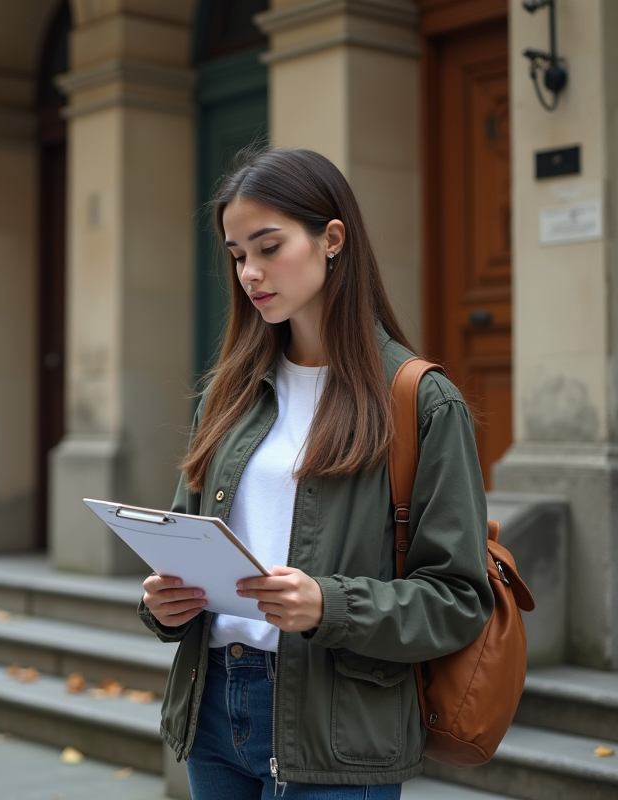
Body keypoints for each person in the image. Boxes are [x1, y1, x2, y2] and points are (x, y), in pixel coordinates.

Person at [138, 148, 495, 799]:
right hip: (214, 710)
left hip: (340, 727)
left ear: (333, 239)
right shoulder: (230, 393)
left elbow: (459, 600)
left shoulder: (418, 400)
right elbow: (186, 543)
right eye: (238, 253)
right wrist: (164, 605)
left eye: (269, 247)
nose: (250, 272)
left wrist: (330, 604)